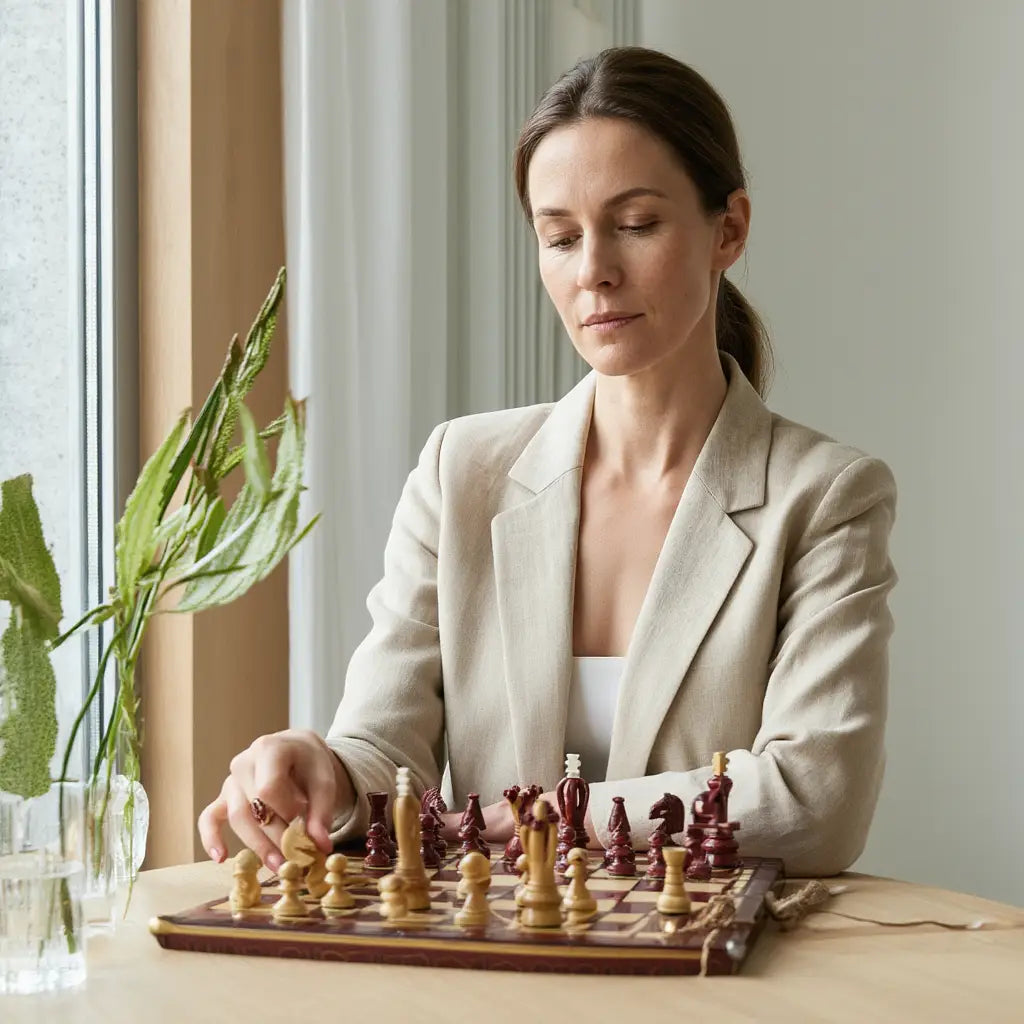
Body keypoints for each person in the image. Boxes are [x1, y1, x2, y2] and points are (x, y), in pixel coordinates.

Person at [198, 47, 897, 877]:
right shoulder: (462, 471)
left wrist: (555, 815)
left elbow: (816, 802)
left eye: (636, 225)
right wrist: (327, 774)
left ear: (729, 229)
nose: (594, 271)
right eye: (560, 237)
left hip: (709, 986)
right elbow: (384, 753)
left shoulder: (825, 497)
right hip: (494, 973)